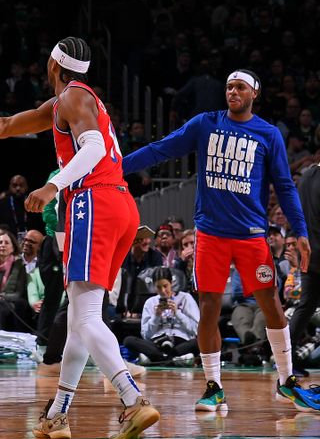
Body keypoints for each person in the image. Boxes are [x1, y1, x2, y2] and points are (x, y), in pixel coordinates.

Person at [0, 36, 158, 439]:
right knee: (79, 320)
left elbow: (93, 147)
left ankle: (131, 397)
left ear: (54, 64)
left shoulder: (73, 97)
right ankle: (57, 414)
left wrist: (55, 185)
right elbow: (2, 127)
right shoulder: (66, 104)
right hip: (119, 205)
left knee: (86, 317)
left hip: (95, 201)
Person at [123, 68, 318, 412]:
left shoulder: (268, 134)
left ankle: (285, 381)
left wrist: (300, 231)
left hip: (252, 237)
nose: (232, 92)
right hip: (212, 237)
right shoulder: (205, 124)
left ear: (254, 93)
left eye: (240, 87)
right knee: (209, 308)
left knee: (272, 304)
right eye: (229, 87)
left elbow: (285, 187)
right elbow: (162, 149)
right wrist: (117, 167)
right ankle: (214, 386)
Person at [123, 267, 199, 366]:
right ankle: (174, 360)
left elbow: (197, 330)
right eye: (158, 287)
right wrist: (156, 316)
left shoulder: (185, 298)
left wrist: (178, 313)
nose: (163, 291)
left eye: (165, 286)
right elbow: (146, 335)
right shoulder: (150, 302)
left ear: (171, 283)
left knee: (200, 342)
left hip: (180, 342)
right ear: (154, 286)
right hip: (157, 343)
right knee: (128, 340)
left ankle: (157, 359)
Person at [291, 160, 320, 375]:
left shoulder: (305, 177)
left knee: (305, 307)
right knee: (306, 307)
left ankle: (288, 359)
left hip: (309, 251)